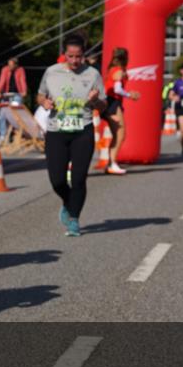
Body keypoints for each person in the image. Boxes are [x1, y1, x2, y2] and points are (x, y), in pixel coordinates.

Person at [37, 32, 106, 237]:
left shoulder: (92, 74)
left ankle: (74, 219)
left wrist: (95, 101)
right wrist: (44, 102)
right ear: (64, 55)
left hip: (82, 130)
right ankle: (69, 202)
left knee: (78, 178)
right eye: (71, 56)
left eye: (79, 56)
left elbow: (103, 105)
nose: (75, 60)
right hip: (57, 131)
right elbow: (40, 95)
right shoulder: (52, 72)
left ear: (83, 55)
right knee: (57, 180)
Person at [101, 47, 140, 174]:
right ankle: (112, 163)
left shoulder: (114, 69)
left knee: (117, 134)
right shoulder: (118, 70)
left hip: (111, 102)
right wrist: (130, 95)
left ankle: (111, 163)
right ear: (125, 58)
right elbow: (117, 89)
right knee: (120, 134)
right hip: (112, 102)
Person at [0, 56, 27, 141]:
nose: (10, 67)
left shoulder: (20, 70)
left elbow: (22, 81)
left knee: (16, 114)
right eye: (9, 65)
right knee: (2, 113)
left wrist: (24, 91)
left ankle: (17, 132)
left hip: (16, 94)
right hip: (6, 95)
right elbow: (2, 81)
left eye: (11, 65)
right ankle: (2, 134)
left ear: (16, 65)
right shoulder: (5, 70)